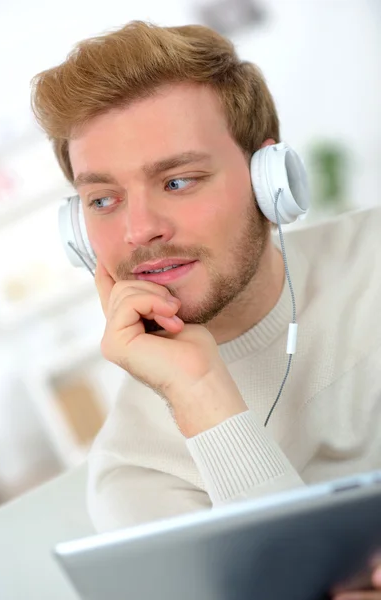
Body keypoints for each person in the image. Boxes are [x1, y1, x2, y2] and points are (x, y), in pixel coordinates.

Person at [31, 21, 381, 598]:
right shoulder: (137, 472)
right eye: (103, 200)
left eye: (178, 181)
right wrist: (199, 391)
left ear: (270, 180)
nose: (139, 230)